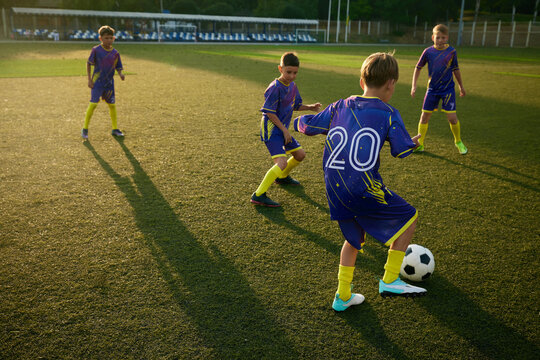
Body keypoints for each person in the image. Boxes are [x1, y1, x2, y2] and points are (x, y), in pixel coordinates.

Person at [294, 52, 427, 312]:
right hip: (363, 187)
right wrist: (414, 142)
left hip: (334, 189)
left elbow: (307, 127)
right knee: (409, 218)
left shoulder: (339, 106)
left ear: (361, 80)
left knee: (354, 238)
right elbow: (400, 151)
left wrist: (299, 120)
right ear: (391, 83)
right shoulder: (389, 112)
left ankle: (342, 296)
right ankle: (390, 279)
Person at [250, 52, 321, 207]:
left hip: (282, 129)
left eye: (295, 73)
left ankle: (281, 177)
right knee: (281, 162)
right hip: (271, 128)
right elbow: (269, 111)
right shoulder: (274, 88)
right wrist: (284, 130)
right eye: (288, 72)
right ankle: (259, 194)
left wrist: (310, 107)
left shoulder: (293, 87)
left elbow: (295, 105)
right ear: (280, 69)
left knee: (300, 154)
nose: (292, 76)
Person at [411, 24, 467, 155]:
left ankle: (458, 141)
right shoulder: (428, 52)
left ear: (447, 38)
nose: (440, 40)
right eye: (438, 37)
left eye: (443, 37)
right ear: (432, 37)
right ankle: (420, 144)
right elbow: (418, 67)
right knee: (424, 117)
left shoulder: (452, 52)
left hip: (448, 90)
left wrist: (461, 86)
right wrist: (414, 85)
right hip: (432, 90)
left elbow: (456, 69)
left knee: (452, 118)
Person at [81, 25, 125, 140]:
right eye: (106, 38)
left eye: (111, 38)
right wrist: (89, 79)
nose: (108, 40)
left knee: (112, 105)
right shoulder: (96, 50)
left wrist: (120, 74)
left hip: (109, 83)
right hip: (97, 82)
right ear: (100, 38)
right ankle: (85, 128)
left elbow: (118, 66)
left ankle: (115, 129)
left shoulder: (115, 53)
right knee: (93, 104)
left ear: (114, 38)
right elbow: (89, 63)